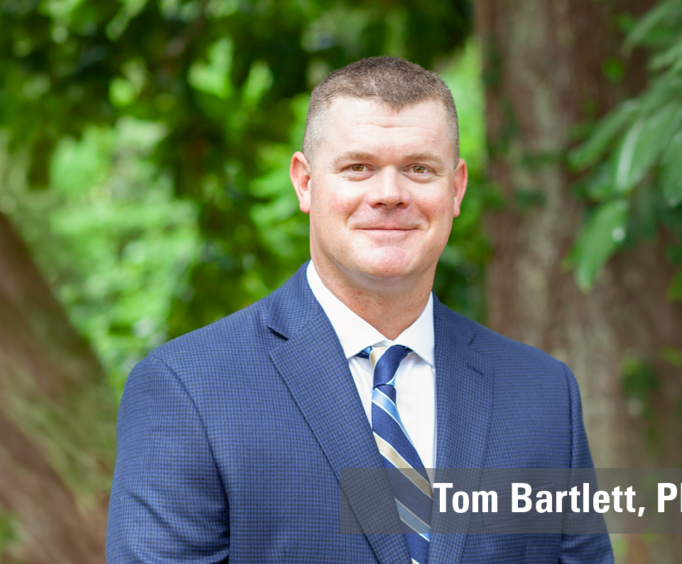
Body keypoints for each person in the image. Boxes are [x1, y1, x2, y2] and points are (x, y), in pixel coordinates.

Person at [106, 56, 613, 564]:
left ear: (455, 188)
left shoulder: (543, 394)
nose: (389, 195)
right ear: (305, 183)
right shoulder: (186, 388)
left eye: (419, 168)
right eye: (358, 168)